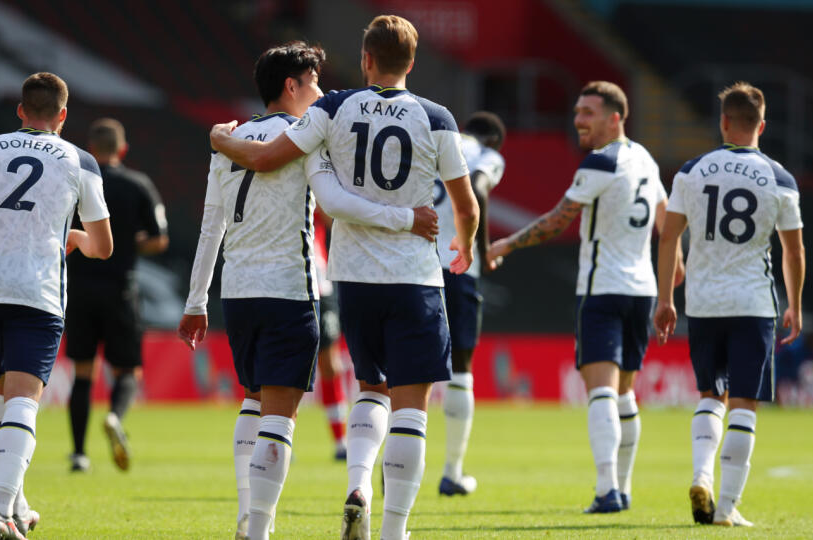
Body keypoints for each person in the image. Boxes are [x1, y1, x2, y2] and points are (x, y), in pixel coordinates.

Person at [208, 15, 479, 540]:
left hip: (353, 278)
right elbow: (465, 205)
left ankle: (358, 483)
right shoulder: (438, 117)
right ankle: (394, 531)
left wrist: (221, 141)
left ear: (366, 60)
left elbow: (264, 158)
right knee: (412, 409)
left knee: (370, 387)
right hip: (416, 276)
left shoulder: (334, 107)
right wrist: (463, 242)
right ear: (412, 63)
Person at [0, 72, 112, 540]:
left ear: (19, 111)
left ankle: (18, 504)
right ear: (63, 116)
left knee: (0, 395)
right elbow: (105, 244)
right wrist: (78, 240)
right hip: (37, 291)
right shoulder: (80, 160)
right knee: (23, 401)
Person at [487, 81, 682, 513]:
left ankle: (606, 489)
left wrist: (506, 244)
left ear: (615, 118)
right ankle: (624, 488)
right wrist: (672, 279)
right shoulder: (647, 161)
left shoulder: (599, 162)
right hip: (642, 291)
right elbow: (668, 226)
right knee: (625, 394)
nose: (579, 121)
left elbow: (558, 220)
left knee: (601, 393)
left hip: (602, 290)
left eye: (588, 113)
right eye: (577, 112)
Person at [654, 81, 805, 527]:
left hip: (703, 304)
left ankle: (702, 475)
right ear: (762, 124)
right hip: (754, 303)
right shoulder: (779, 178)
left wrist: (665, 298)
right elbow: (793, 250)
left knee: (709, 394)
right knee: (744, 402)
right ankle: (726, 507)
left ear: (723, 122)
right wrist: (793, 302)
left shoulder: (691, 171)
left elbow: (669, 236)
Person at [65, 118, 169, 473]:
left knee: (83, 372)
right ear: (122, 149)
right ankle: (113, 416)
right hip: (120, 289)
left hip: (78, 290)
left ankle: (79, 454)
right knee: (127, 371)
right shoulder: (138, 184)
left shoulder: (76, 181)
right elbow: (159, 237)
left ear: (90, 150)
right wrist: (131, 242)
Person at [433, 111, 506, 496]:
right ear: (494, 141)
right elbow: (478, 189)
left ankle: (391, 464)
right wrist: (482, 247)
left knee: (410, 370)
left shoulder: (437, 144)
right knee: (461, 369)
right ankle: (452, 471)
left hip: (419, 267)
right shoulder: (487, 156)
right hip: (458, 267)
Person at [313, 209, 351, 461]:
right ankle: (276, 439)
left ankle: (340, 442)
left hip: (319, 283)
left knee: (331, 365)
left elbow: (334, 217)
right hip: (281, 283)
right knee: (281, 367)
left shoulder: (316, 177)